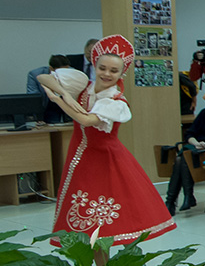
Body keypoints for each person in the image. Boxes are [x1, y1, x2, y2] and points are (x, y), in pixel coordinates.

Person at [37, 35, 176, 246]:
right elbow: (44, 78)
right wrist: (65, 91)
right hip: (81, 158)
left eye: (113, 71)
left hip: (107, 161)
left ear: (122, 73)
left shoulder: (115, 101)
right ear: (95, 65)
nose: (107, 74)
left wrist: (59, 98)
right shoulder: (83, 84)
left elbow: (85, 119)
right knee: (84, 218)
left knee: (110, 223)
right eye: (103, 68)